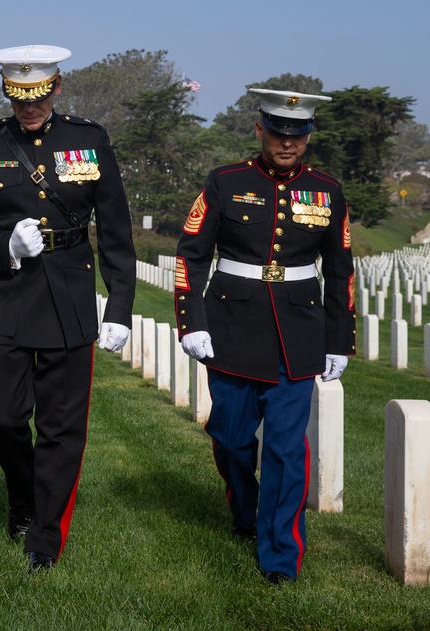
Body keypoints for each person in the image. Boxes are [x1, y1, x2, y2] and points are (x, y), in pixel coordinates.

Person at [0, 45, 136, 571]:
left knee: (61, 427)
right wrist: (2, 246)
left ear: (57, 87)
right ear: (7, 92)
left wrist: (119, 306)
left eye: (39, 95)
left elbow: (116, 231)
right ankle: (24, 494)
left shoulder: (88, 141)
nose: (29, 107)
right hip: (9, 294)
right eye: (18, 97)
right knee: (2, 418)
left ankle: (45, 538)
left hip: (70, 296)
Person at [174, 88, 356, 585]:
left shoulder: (327, 190)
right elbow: (190, 254)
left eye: (297, 134)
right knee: (231, 440)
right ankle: (245, 510)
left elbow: (341, 272)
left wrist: (339, 339)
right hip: (232, 328)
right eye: (278, 132)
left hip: (298, 334)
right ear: (259, 130)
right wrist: (192, 322)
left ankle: (280, 556)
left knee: (284, 448)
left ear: (308, 136)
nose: (287, 143)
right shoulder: (226, 182)